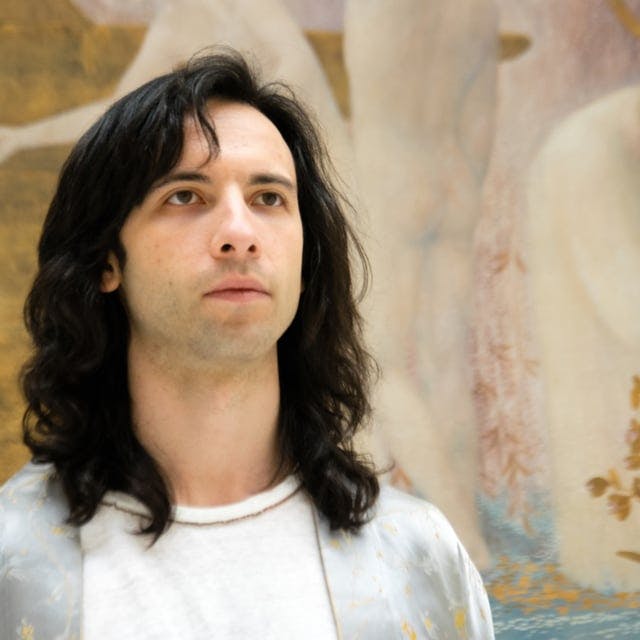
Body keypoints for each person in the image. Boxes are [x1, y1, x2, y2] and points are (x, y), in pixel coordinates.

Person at [0, 50, 494, 639]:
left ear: (305, 262)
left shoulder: (419, 558)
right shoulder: (13, 560)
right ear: (106, 260)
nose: (240, 234)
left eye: (269, 199)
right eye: (185, 196)